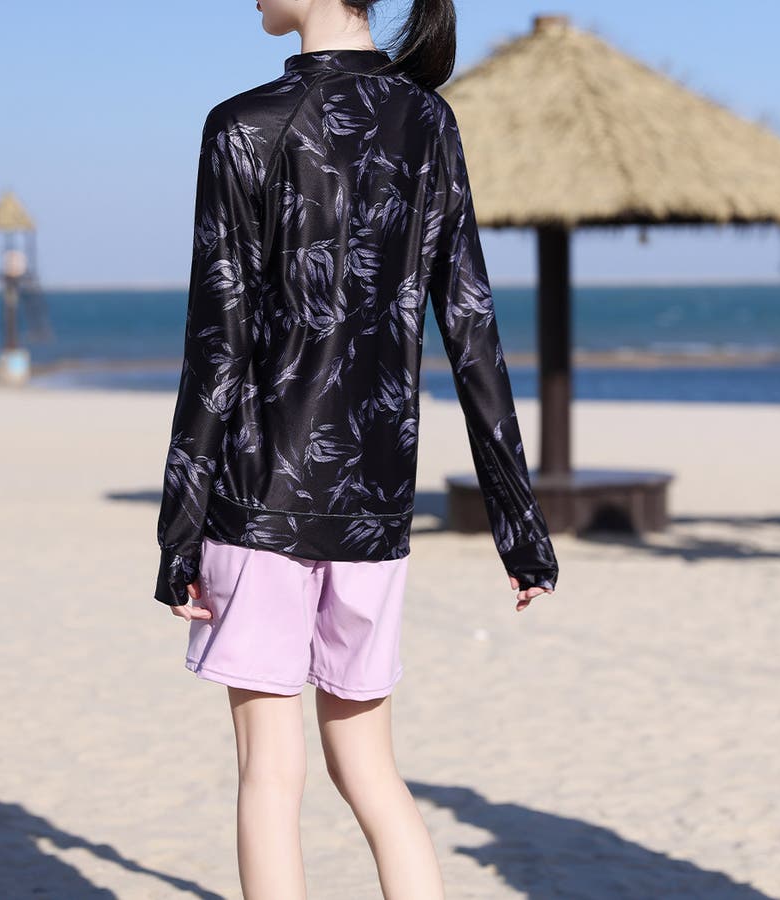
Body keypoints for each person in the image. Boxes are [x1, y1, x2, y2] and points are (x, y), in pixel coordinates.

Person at [154, 1, 560, 897]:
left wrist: (176, 532)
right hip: (378, 507)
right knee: (371, 772)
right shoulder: (430, 121)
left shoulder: (242, 126)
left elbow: (217, 347)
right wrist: (520, 529)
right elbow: (472, 330)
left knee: (270, 776)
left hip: (257, 499)